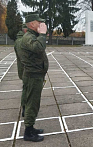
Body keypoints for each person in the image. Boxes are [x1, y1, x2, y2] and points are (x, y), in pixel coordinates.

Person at [20, 14, 48, 142]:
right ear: (32, 24)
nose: (41, 25)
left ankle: (31, 128)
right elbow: (38, 48)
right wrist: (42, 34)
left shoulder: (32, 36)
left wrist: (41, 35)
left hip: (36, 75)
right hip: (32, 76)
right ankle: (28, 132)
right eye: (39, 23)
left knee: (34, 103)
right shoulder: (28, 38)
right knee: (32, 103)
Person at [14, 24, 28, 118]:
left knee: (27, 89)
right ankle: (25, 108)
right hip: (25, 70)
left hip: (26, 70)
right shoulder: (20, 41)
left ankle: (27, 108)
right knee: (26, 90)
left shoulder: (23, 39)